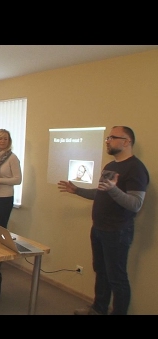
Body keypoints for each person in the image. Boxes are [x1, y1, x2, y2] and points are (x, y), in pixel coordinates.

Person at [58, 126, 149, 315]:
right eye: (107, 137)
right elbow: (101, 193)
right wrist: (77, 190)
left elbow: (135, 204)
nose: (107, 140)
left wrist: (113, 190)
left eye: (112, 137)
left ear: (126, 141)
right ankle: (98, 309)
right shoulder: (111, 166)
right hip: (99, 228)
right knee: (101, 272)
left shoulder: (136, 168)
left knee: (117, 278)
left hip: (118, 231)